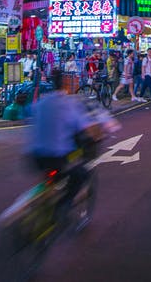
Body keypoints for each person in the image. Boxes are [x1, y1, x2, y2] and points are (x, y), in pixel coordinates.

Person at [26, 70, 104, 210]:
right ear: (66, 85)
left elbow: (29, 112)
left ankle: (46, 198)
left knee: (51, 175)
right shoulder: (69, 104)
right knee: (81, 174)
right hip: (58, 155)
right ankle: (64, 205)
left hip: (34, 155)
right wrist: (98, 136)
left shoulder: (42, 101)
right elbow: (88, 127)